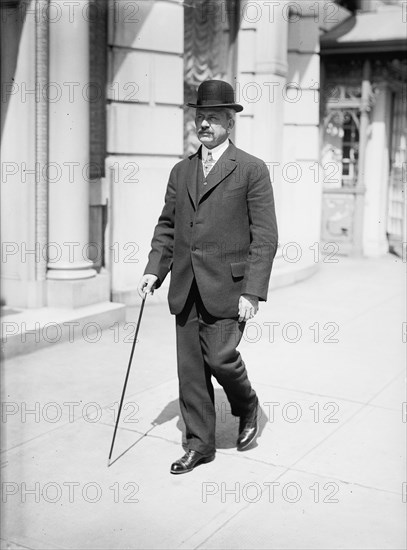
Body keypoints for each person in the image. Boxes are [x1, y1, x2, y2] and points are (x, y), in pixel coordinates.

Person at [137, 80, 278, 474]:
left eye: (213, 118)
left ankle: (246, 403)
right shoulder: (181, 171)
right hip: (185, 284)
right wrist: (154, 269)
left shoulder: (250, 169)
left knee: (220, 357)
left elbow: (265, 237)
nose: (205, 124)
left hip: (229, 288)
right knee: (191, 370)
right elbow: (168, 226)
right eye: (200, 117)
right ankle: (199, 444)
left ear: (230, 123)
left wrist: (253, 291)